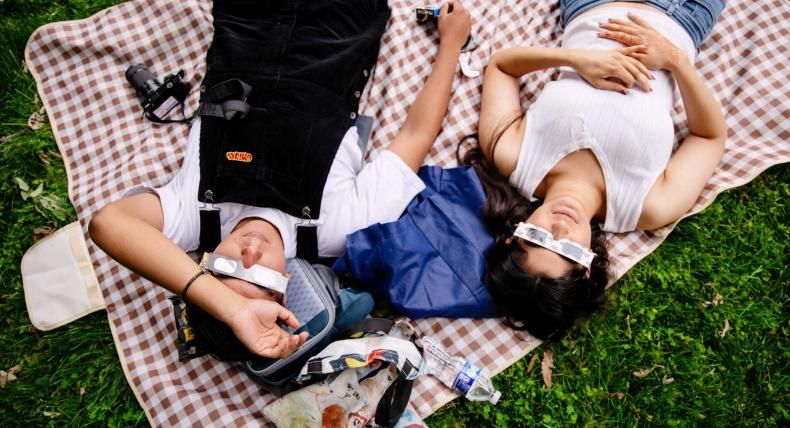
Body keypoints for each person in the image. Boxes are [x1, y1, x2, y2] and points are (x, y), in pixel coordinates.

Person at [89, 0, 472, 360]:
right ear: (288, 282)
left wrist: (233, 309)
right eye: (260, 279)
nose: (249, 255)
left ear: (203, 265)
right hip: (338, 26)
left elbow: (108, 224)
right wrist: (452, 44)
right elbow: (416, 135)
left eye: (229, 269)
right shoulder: (338, 227)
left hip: (248, 20)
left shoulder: (190, 216)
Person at [466, 0, 728, 340]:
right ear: (587, 267)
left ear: (513, 234)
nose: (560, 226)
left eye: (539, 238)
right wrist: (675, 60)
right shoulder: (647, 206)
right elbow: (710, 137)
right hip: (682, 13)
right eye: (568, 250)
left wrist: (575, 59)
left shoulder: (512, 156)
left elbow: (501, 67)